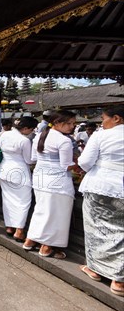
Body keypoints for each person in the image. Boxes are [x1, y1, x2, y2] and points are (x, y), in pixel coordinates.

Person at [77, 105, 124, 296]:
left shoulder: (101, 135)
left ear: (116, 118)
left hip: (101, 185)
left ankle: (95, 268)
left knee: (95, 228)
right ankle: (118, 280)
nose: (101, 123)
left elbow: (85, 162)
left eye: (103, 119)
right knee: (121, 231)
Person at [24, 110, 77, 259]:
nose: (72, 127)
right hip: (58, 181)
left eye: (74, 124)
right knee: (57, 215)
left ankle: (30, 240)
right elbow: (66, 165)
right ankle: (47, 247)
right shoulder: (64, 140)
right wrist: (80, 163)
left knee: (41, 211)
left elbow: (33, 158)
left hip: (40, 178)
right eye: (70, 123)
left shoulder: (39, 136)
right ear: (59, 123)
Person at [0, 117, 37, 242]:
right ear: (25, 128)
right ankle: (19, 230)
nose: (32, 132)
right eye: (31, 129)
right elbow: (29, 160)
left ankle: (9, 227)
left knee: (7, 200)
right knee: (23, 202)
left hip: (4, 170)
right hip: (19, 172)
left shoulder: (3, 135)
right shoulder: (24, 140)